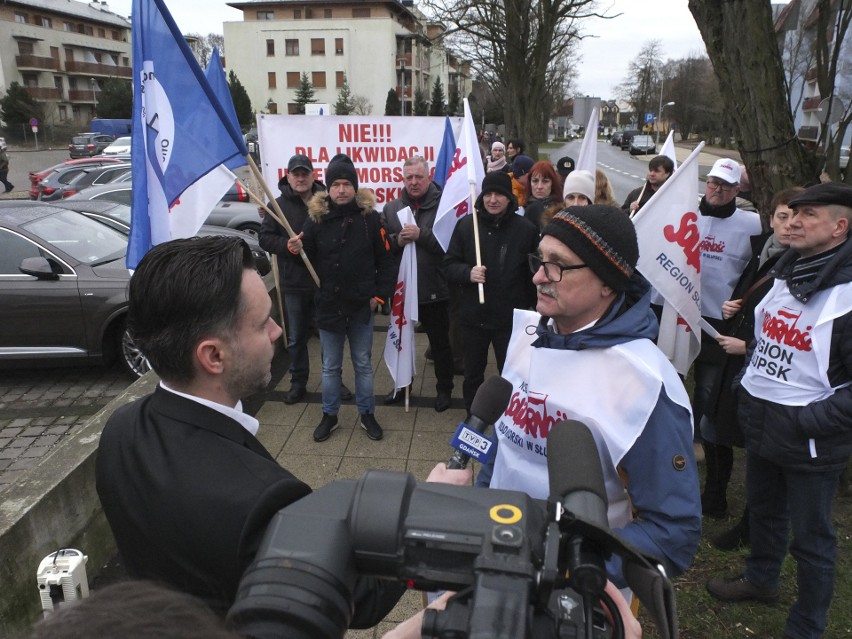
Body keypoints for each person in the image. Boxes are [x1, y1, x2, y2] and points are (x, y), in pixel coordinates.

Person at [95, 236, 402, 619]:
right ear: (213, 356)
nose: (277, 332)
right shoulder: (262, 500)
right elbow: (360, 599)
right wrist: (417, 528)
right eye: (261, 324)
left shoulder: (120, 431)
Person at [478, 205, 701, 585]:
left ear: (608, 283)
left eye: (557, 265)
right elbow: (503, 442)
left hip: (571, 588)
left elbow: (671, 534)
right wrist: (477, 507)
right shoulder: (529, 335)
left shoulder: (643, 383)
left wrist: (570, 567)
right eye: (540, 259)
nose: (537, 276)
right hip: (496, 556)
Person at [706, 182, 852, 639]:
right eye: (791, 214)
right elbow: (766, 340)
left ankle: (807, 624)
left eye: (808, 215)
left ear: (839, 227)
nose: (793, 222)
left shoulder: (847, 293)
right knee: (765, 511)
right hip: (765, 422)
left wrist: (807, 421)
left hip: (809, 437)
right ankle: (761, 579)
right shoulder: (785, 270)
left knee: (812, 539)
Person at [700, 187, 802, 538]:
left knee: (756, 448)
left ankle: (751, 524)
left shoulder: (801, 264)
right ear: (770, 219)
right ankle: (714, 498)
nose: (788, 225)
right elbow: (757, 298)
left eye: (795, 217)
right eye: (782, 217)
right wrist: (735, 306)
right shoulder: (762, 250)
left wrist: (748, 345)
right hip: (739, 359)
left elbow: (795, 328)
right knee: (712, 427)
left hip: (760, 364)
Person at [287, 154, 395, 442]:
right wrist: (295, 249)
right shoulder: (316, 219)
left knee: (362, 362)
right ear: (328, 188)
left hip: (361, 305)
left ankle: (367, 412)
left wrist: (378, 296)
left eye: (347, 183)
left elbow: (386, 261)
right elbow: (304, 258)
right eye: (336, 184)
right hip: (329, 306)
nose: (342, 190)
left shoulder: (371, 220)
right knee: (330, 366)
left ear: (355, 186)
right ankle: (329, 414)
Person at [692, 158, 762, 508]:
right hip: (675, 314)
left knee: (708, 393)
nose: (717, 189)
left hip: (719, 323)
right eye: (713, 183)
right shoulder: (685, 213)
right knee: (669, 384)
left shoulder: (751, 225)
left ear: (737, 190)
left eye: (725, 185)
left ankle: (712, 479)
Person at [444, 171, 539, 412]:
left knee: (509, 375)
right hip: (473, 317)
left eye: (499, 194)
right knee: (472, 374)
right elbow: (448, 265)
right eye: (488, 194)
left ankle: (510, 419)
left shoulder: (526, 230)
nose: (493, 199)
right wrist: (467, 273)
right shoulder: (467, 226)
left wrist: (533, 307)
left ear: (509, 198)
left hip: (509, 320)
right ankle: (472, 416)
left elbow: (533, 275)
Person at [382, 156, 454, 412]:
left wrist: (420, 235)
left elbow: (450, 247)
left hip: (435, 288)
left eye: (418, 177)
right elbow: (382, 246)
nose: (413, 182)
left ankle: (444, 389)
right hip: (403, 289)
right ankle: (402, 386)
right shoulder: (392, 209)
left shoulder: (444, 205)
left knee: (440, 344)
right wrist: (397, 240)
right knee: (402, 340)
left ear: (429, 176)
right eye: (408, 177)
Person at [257, 154, 324, 405]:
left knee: (328, 335)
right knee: (295, 337)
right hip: (294, 283)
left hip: (322, 281)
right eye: (295, 173)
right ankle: (298, 382)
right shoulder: (277, 206)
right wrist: (286, 245)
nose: (300, 177)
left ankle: (334, 381)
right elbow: (265, 238)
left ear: (312, 175)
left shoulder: (325, 201)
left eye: (304, 173)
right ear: (288, 177)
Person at [523, 160, 563, 229]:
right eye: (535, 181)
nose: (539, 186)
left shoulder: (561, 212)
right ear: (530, 183)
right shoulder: (521, 210)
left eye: (545, 181)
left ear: (552, 184)